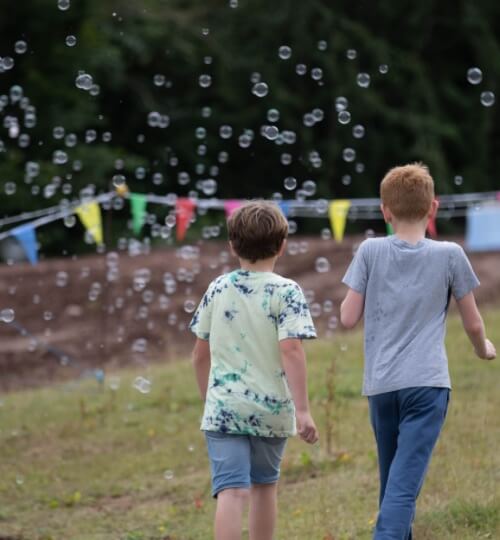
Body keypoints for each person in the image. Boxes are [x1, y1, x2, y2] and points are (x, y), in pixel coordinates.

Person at [340, 163, 496, 540]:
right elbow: (473, 323)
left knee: (394, 484)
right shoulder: (450, 255)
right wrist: (483, 348)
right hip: (427, 388)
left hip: (381, 387)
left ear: (384, 210)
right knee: (403, 487)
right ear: (434, 208)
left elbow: (347, 317)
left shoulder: (369, 250)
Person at [190, 200, 319, 540]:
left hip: (224, 410)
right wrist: (303, 410)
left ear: (232, 245)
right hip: (272, 410)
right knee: (264, 489)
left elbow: (199, 356)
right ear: (282, 245)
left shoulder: (217, 288)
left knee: (231, 493)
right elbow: (292, 350)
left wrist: (211, 402)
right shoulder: (287, 291)